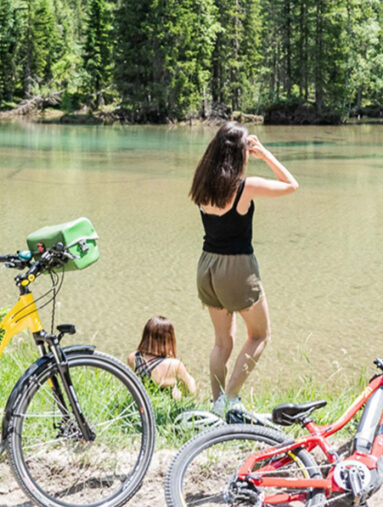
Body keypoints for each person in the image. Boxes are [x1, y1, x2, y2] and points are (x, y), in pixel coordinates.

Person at [189, 121, 299, 417]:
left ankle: (215, 406)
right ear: (241, 154)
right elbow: (291, 184)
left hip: (207, 267)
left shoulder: (202, 184)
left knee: (222, 342)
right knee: (260, 336)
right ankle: (230, 399)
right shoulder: (244, 187)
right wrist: (266, 155)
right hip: (236, 268)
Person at [127, 316, 196, 401]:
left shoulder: (133, 358)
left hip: (141, 404)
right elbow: (190, 392)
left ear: (145, 335)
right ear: (169, 339)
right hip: (164, 410)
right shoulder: (174, 365)